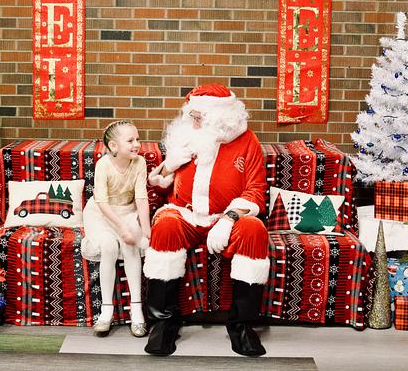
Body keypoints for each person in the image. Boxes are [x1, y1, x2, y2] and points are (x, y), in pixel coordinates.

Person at [144, 84, 269, 357]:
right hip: (184, 213)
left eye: (199, 115)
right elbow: (159, 189)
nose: (193, 119)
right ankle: (164, 323)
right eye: (192, 114)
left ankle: (241, 326)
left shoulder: (247, 141)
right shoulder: (185, 135)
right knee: (165, 225)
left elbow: (256, 191)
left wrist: (229, 219)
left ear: (221, 116)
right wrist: (168, 165)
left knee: (254, 230)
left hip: (227, 217)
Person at [81, 120, 151, 337]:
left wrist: (146, 231)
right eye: (130, 140)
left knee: (131, 247)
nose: (137, 144)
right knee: (109, 246)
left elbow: (141, 198)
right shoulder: (103, 165)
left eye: (138, 139)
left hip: (127, 211)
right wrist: (123, 229)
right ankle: (106, 311)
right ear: (113, 146)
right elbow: (102, 203)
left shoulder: (139, 163)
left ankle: (136, 310)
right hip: (102, 214)